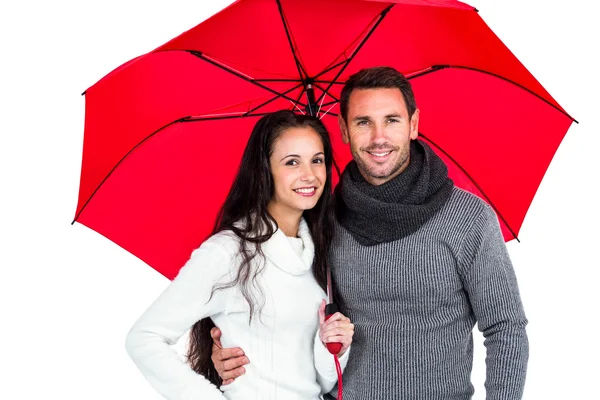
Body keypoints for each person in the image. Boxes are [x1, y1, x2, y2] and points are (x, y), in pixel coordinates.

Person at [210, 67, 529, 400]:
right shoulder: (320, 219)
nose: (379, 137)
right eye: (363, 122)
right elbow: (283, 319)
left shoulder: (467, 217)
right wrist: (233, 354)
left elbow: (505, 327)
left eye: (392, 120)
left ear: (414, 125)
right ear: (344, 130)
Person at [124, 110, 355, 399]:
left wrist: (332, 346)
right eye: (292, 162)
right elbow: (144, 339)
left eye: (317, 160)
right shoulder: (229, 252)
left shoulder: (320, 252)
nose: (309, 175)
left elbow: (320, 383)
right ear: (264, 170)